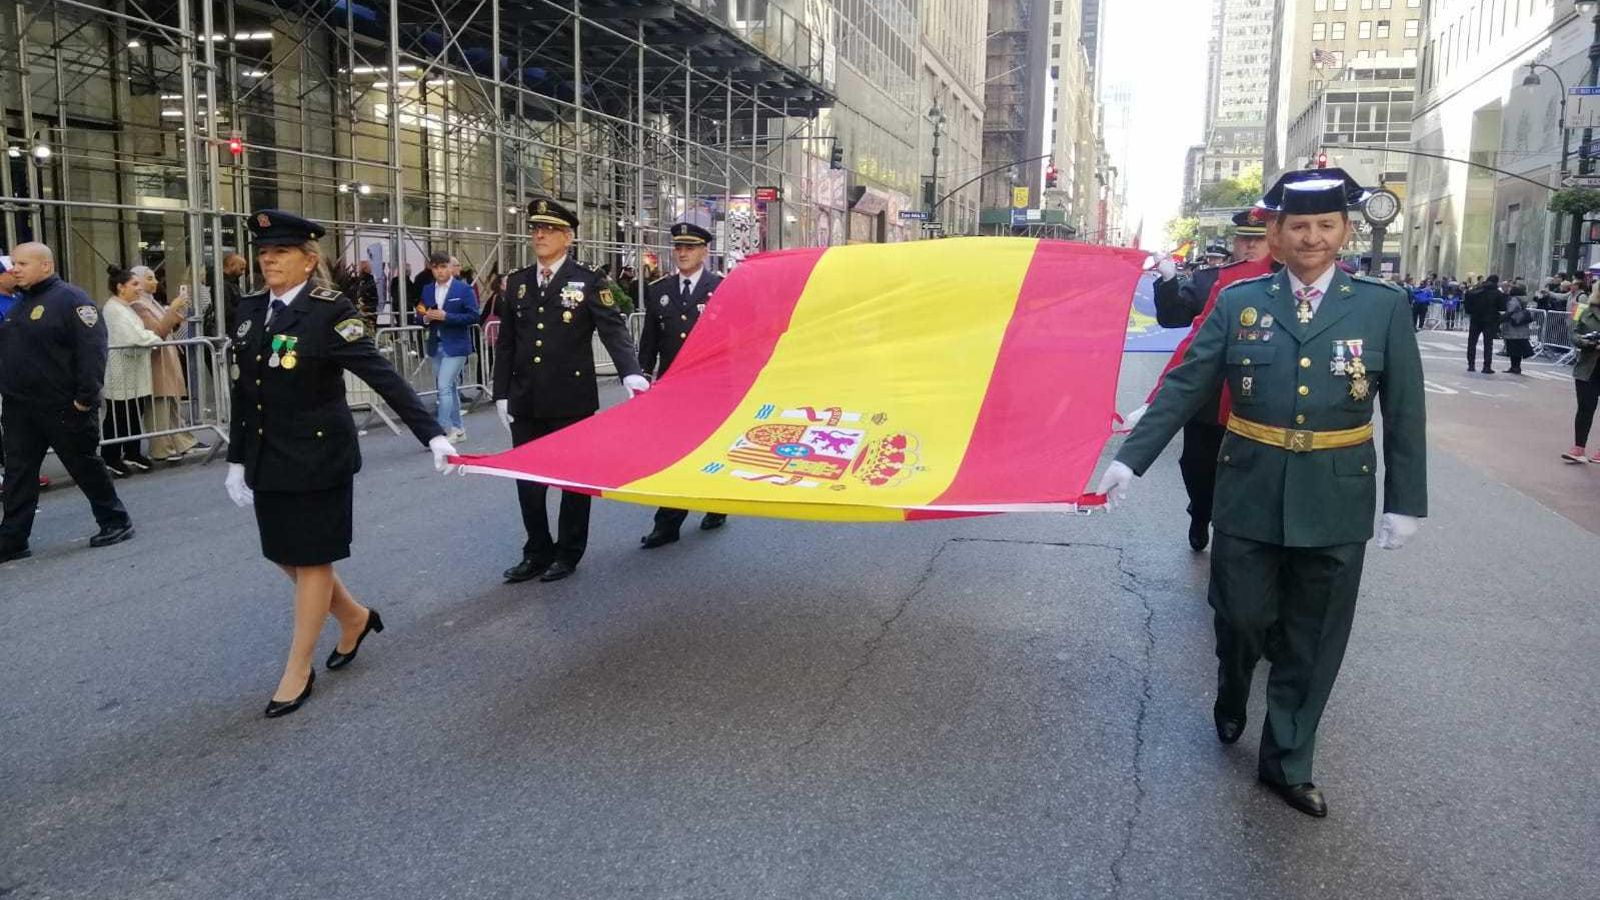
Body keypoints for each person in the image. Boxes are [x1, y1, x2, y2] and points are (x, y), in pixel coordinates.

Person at [1097, 169, 1427, 818]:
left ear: (1344, 232)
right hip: (1247, 488)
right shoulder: (1239, 302)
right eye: (1297, 226)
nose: (1311, 237)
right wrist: (1132, 458)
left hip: (1337, 497)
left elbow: (1407, 414)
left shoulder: (1382, 308)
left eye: (1324, 226)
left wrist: (1405, 500)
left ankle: (1287, 760)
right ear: (1275, 234)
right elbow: (1190, 382)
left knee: (1314, 636)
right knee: (1242, 616)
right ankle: (1233, 680)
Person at [224, 210, 456, 717]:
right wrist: (237, 458)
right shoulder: (248, 309)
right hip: (268, 452)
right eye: (264, 253)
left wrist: (432, 434)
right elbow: (245, 391)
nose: (268, 261)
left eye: (280, 253)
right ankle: (353, 617)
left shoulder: (329, 311)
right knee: (283, 553)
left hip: (317, 454)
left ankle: (297, 669)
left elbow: (382, 375)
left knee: (311, 559)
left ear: (309, 261)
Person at [494, 198, 650, 584]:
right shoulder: (517, 282)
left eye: (548, 229)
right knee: (528, 482)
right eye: (535, 229)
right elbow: (507, 343)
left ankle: (568, 552)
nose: (540, 235)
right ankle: (536, 550)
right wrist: (500, 392)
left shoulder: (589, 280)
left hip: (570, 400)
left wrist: (630, 372)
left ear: (568, 236)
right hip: (526, 397)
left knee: (573, 481)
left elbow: (612, 329)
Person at [0, 242, 135, 562]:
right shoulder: (19, 304)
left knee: (84, 465)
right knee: (19, 473)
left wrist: (85, 400)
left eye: (22, 263)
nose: (14, 269)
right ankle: (13, 537)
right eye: (13, 264)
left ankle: (115, 520)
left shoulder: (71, 300)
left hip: (63, 405)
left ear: (45, 266)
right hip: (21, 407)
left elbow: (92, 352)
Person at [638, 221, 728, 549]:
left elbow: (734, 341)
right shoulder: (659, 290)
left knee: (710, 449)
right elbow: (650, 339)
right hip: (672, 388)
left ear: (704, 251)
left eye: (690, 247)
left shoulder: (721, 288)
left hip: (712, 388)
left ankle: (717, 502)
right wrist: (641, 375)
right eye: (678, 247)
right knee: (672, 454)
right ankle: (668, 523)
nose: (683, 253)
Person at [101, 267, 162, 475]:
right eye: (134, 284)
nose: (139, 289)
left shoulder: (124, 307)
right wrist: (154, 339)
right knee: (119, 414)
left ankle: (132, 451)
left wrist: (149, 337)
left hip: (132, 369)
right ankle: (111, 456)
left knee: (134, 412)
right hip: (121, 372)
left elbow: (140, 333)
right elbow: (134, 337)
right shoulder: (113, 309)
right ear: (120, 287)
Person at [129, 276, 198, 460]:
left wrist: (175, 313)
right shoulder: (138, 306)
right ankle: (161, 448)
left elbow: (167, 326)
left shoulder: (151, 303)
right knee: (159, 404)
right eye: (149, 278)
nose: (155, 282)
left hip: (166, 355)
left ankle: (179, 442)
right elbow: (157, 330)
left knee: (171, 403)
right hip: (156, 358)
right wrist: (173, 308)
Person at [414, 250, 479, 441]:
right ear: (431, 269)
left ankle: (441, 430)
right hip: (436, 344)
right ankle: (458, 429)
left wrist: (446, 316)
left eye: (443, 267)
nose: (440, 271)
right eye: (436, 267)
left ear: (450, 267)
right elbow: (419, 312)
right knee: (449, 388)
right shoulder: (427, 289)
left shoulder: (463, 289)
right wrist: (425, 317)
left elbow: (474, 316)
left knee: (443, 387)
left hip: (457, 346)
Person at [1464, 274, 1505, 373]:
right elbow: (1502, 307)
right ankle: (1487, 366)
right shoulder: (1497, 293)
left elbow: (1468, 298)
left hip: (1475, 319)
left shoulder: (1476, 290)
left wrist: (1471, 311)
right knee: (1488, 344)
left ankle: (1471, 365)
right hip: (1489, 320)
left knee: (1472, 343)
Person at [1500, 289, 1535, 375]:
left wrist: (1500, 319)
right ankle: (1516, 367)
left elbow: (1510, 311)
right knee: (1518, 350)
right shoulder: (1523, 299)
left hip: (1513, 327)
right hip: (1521, 327)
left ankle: (1514, 367)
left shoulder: (1513, 300)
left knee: (1513, 349)